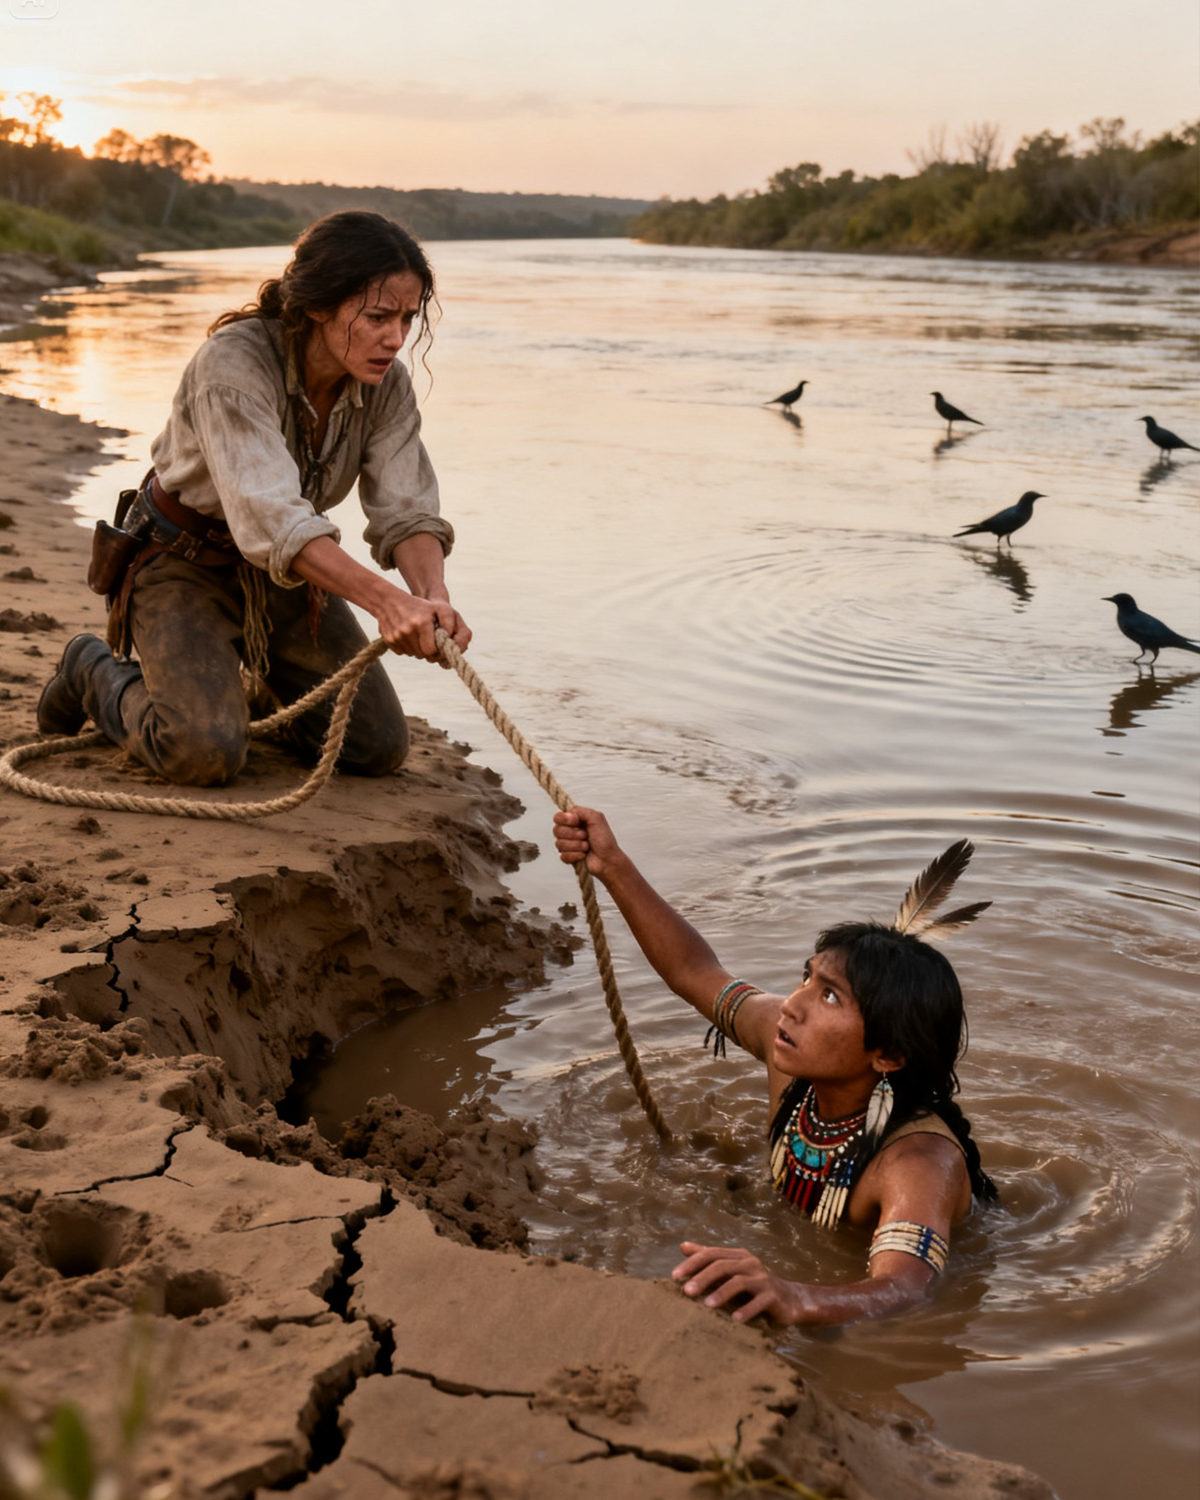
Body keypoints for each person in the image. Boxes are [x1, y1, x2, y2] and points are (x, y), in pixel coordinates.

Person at [37, 209, 470, 786]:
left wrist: (431, 596)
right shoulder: (232, 363)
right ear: (318, 304)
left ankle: (248, 692)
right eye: (377, 316)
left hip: (287, 577)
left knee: (375, 748)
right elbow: (273, 518)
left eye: (407, 318)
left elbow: (407, 508)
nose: (395, 338)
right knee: (202, 752)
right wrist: (388, 604)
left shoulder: (385, 382)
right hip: (180, 562)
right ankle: (89, 669)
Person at [552, 807, 998, 1327]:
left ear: (889, 1056)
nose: (792, 1003)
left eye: (830, 997)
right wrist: (613, 865)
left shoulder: (919, 1164)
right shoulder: (792, 1055)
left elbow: (904, 1289)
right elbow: (696, 971)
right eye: (807, 978)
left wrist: (792, 1295)